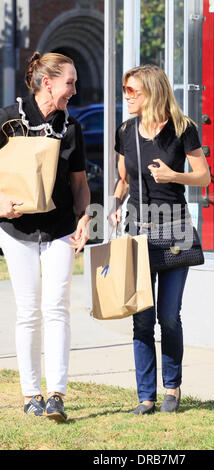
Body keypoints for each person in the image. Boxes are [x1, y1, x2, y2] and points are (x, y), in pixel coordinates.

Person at [111, 65, 210, 414]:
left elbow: (204, 177)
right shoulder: (125, 131)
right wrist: (114, 204)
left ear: (152, 91)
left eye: (132, 90)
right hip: (138, 230)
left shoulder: (183, 129)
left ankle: (172, 388)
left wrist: (173, 175)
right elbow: (123, 179)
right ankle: (145, 396)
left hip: (175, 230)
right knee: (141, 317)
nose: (127, 95)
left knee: (168, 315)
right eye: (125, 89)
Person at [0, 52, 91, 422]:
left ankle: (56, 394)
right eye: (69, 82)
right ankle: (30, 394)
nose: (74, 89)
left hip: (60, 232)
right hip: (16, 231)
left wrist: (86, 215)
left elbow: (80, 184)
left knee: (56, 308)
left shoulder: (72, 128)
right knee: (28, 312)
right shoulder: (7, 119)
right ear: (47, 82)